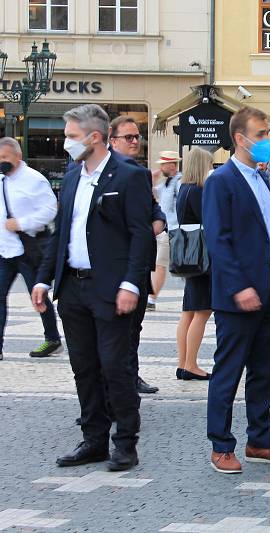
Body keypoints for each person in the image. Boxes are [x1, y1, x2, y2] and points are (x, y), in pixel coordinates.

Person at [32, 104, 153, 470]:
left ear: (94, 137)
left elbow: (141, 234)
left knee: (115, 366)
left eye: (71, 136)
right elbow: (61, 233)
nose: (65, 143)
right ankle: (93, 440)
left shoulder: (129, 176)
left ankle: (125, 443)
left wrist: (132, 283)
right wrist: (43, 277)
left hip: (111, 287)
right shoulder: (71, 177)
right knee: (83, 366)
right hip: (73, 288)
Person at [204, 106, 270, 474]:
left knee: (265, 370)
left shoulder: (263, 178)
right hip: (238, 294)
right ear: (240, 139)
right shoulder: (221, 181)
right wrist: (239, 286)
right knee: (228, 371)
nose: (267, 141)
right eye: (260, 135)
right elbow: (218, 240)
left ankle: (260, 440)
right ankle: (221, 445)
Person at [108, 115, 164, 395]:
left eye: (137, 137)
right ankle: (113, 386)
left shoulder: (139, 173)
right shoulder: (105, 174)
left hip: (140, 264)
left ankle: (131, 376)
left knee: (135, 328)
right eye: (128, 137)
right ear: (112, 140)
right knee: (113, 333)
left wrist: (153, 225)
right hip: (114, 264)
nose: (134, 141)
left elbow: (156, 212)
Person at [0, 137, 61, 361]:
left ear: (17, 156)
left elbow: (49, 211)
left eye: (5, 158)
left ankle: (52, 338)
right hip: (5, 251)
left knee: (38, 297)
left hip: (29, 250)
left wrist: (22, 223)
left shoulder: (34, 180)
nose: (2, 162)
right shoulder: (2, 181)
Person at [175, 148, 213, 381]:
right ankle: (191, 364)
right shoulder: (198, 191)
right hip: (202, 257)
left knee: (188, 311)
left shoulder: (184, 189)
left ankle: (183, 362)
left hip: (189, 256)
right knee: (202, 311)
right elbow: (209, 220)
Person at [150, 151, 182, 311]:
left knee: (160, 265)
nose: (161, 167)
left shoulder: (179, 181)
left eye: (163, 164)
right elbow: (155, 196)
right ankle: (152, 297)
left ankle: (152, 299)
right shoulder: (166, 183)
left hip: (173, 230)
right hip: (166, 231)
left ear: (171, 165)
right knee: (161, 264)